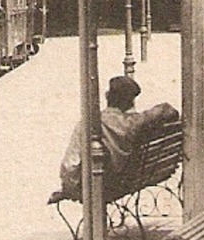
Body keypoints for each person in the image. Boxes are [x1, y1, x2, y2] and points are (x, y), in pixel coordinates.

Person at [53, 75, 181, 202]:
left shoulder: (89, 122)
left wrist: (67, 188)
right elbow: (167, 109)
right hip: (125, 182)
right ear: (130, 102)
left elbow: (70, 164)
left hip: (97, 186)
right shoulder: (135, 123)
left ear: (107, 96)